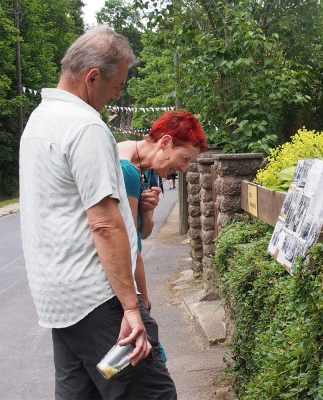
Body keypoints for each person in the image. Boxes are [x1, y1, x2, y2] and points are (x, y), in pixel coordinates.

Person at [19, 26, 176, 399]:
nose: (118, 94)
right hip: (98, 300)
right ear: (92, 78)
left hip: (59, 301)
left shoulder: (38, 123)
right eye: (117, 84)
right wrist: (132, 308)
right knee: (153, 394)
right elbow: (105, 224)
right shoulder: (85, 126)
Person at [117, 110, 207, 313]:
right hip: (121, 289)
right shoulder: (127, 170)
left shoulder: (143, 169)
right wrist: (144, 304)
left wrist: (147, 211)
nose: (184, 168)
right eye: (184, 158)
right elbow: (130, 249)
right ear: (165, 143)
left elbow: (143, 234)